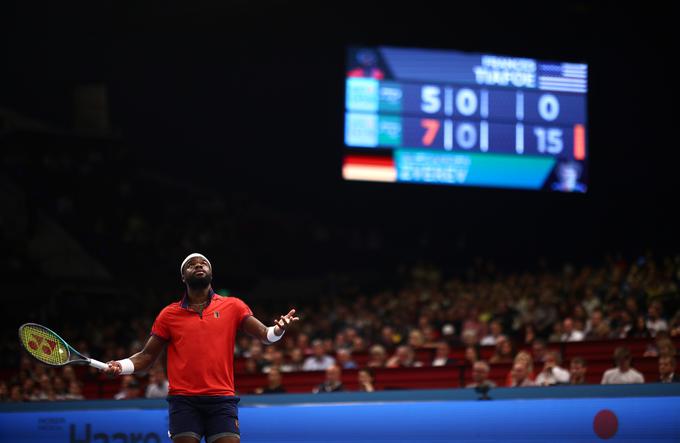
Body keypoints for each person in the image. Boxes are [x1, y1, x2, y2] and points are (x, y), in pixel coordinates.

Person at [104, 253, 299, 443]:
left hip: (222, 399)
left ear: (211, 274)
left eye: (203, 263)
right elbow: (146, 356)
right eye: (192, 264)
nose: (198, 266)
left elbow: (265, 335)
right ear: (183, 277)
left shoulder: (233, 306)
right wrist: (120, 366)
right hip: (183, 400)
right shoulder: (168, 315)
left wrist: (279, 329)